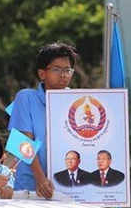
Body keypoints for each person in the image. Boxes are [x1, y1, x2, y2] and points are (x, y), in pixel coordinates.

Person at [10, 42, 79, 198]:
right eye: (56, 69)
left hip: (67, 187)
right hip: (31, 186)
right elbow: (22, 142)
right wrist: (40, 178)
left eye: (67, 70)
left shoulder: (75, 101)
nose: (63, 75)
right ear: (42, 73)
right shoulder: (26, 97)